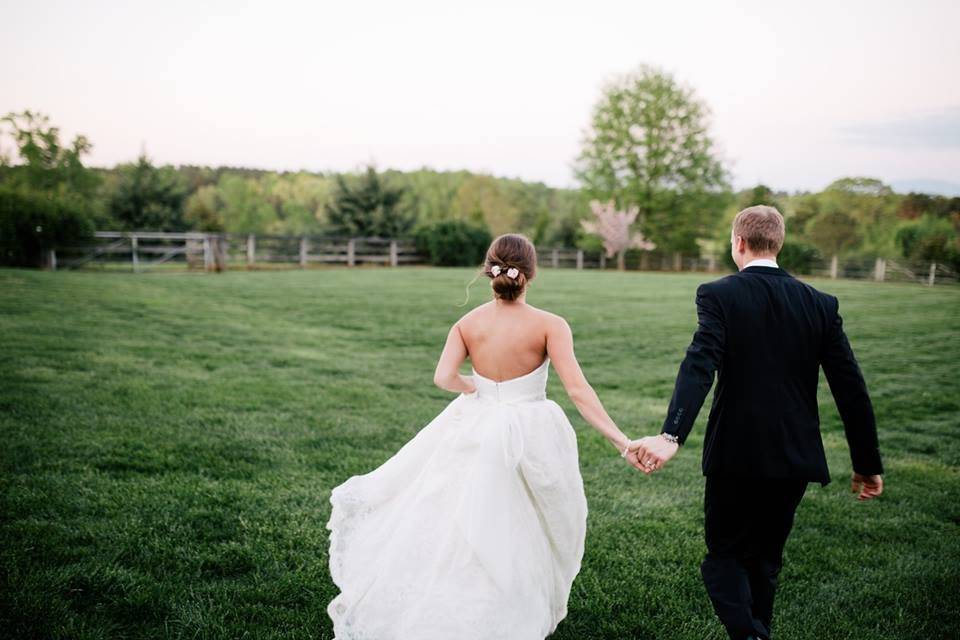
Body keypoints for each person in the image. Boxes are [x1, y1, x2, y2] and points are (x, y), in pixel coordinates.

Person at [327, 233, 641, 639]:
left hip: (474, 423)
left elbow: (443, 377)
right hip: (529, 429)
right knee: (523, 517)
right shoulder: (550, 325)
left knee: (462, 515)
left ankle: (454, 598)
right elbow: (579, 392)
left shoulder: (467, 323)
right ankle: (506, 605)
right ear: (530, 274)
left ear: (488, 270)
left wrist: (475, 389)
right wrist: (622, 441)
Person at [631, 205, 885, 640]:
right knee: (765, 561)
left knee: (724, 557)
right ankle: (756, 631)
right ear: (778, 243)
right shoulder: (820, 304)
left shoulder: (719, 294)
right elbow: (851, 388)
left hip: (737, 452)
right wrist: (867, 462)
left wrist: (671, 435)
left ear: (739, 243)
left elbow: (699, 365)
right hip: (794, 455)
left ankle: (750, 636)